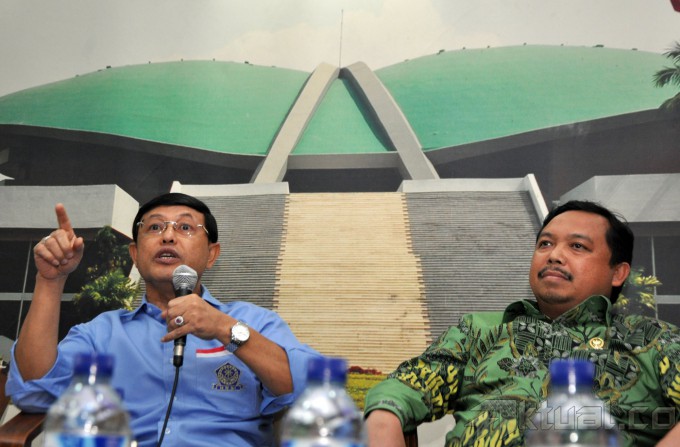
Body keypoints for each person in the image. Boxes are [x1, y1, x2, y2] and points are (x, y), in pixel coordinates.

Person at [7, 192, 319, 446]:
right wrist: (50, 281)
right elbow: (33, 391)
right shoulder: (103, 333)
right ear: (135, 254)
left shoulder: (253, 322)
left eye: (185, 228)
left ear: (212, 254)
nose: (168, 236)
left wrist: (225, 329)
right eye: (154, 227)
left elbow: (309, 391)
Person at [364, 200, 680, 447]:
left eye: (577, 246)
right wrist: (383, 418)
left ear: (618, 273)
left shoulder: (652, 339)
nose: (554, 255)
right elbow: (402, 389)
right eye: (545, 244)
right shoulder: (479, 331)